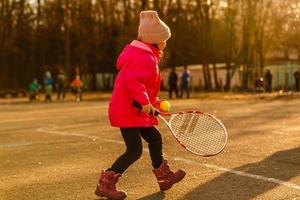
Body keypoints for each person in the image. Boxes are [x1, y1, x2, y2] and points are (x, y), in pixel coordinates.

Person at [94, 10, 185, 200]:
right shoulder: (144, 57)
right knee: (134, 150)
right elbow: (132, 82)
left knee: (155, 138)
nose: (166, 42)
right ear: (154, 39)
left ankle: (164, 178)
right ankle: (106, 183)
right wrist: (144, 102)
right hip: (127, 111)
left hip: (134, 110)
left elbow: (143, 86)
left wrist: (155, 102)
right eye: (164, 38)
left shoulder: (145, 55)